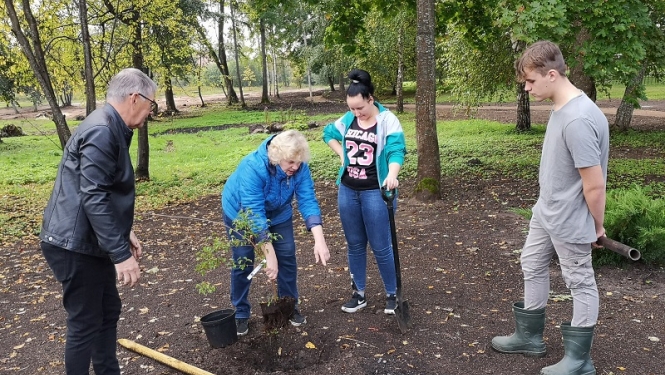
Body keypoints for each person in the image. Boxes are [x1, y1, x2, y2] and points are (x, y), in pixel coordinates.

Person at [491, 41, 609, 375]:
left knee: (580, 282)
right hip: (547, 211)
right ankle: (529, 337)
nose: (526, 88)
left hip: (570, 218)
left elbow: (595, 184)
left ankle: (579, 360)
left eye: (530, 81)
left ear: (552, 75)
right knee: (531, 262)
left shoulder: (578, 120)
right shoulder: (564, 108)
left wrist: (596, 227)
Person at [39, 68, 157, 374]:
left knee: (106, 311)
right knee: (86, 321)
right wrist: (120, 255)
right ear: (135, 98)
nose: (149, 112)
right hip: (74, 244)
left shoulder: (110, 125)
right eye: (150, 104)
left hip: (88, 239)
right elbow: (93, 196)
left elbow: (98, 188)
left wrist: (122, 232)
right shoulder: (103, 130)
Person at [222, 129, 330, 336]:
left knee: (287, 255)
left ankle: (289, 306)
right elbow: (254, 212)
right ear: (277, 157)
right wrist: (269, 255)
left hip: (279, 213)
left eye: (299, 162)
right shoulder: (252, 167)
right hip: (240, 214)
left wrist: (319, 240)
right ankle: (241, 312)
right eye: (290, 162)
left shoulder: (300, 167)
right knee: (243, 260)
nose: (295, 167)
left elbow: (308, 199)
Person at [323, 69, 407, 315]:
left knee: (381, 246)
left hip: (375, 192)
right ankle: (358, 294)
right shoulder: (348, 119)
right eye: (351, 108)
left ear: (371, 99)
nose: (356, 113)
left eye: (360, 107)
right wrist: (342, 155)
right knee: (355, 245)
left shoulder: (388, 120)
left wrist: (392, 174)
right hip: (348, 191)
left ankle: (392, 294)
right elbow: (328, 133)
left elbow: (395, 149)